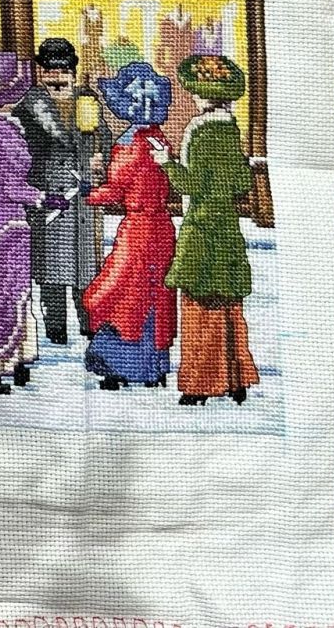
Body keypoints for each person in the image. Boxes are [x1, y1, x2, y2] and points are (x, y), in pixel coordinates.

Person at [0, 51, 70, 395]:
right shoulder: (3, 130)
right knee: (7, 295)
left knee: (1, 293)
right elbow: (10, 185)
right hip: (6, 225)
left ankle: (13, 358)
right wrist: (44, 198)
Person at [165, 54, 260, 405]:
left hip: (202, 229)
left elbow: (194, 184)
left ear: (202, 96)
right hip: (227, 229)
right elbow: (240, 182)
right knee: (229, 308)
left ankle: (200, 385)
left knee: (200, 309)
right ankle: (236, 380)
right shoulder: (231, 131)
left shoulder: (202, 132)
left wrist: (167, 164)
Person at [80, 62, 179, 393]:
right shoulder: (158, 138)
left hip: (138, 230)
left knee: (123, 293)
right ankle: (154, 368)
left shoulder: (131, 144)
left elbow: (115, 190)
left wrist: (88, 191)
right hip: (162, 228)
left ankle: (122, 365)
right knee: (155, 296)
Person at [16, 36, 100, 346]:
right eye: (51, 71)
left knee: (85, 268)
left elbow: (102, 136)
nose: (58, 78)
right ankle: (55, 330)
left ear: (73, 73)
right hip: (48, 194)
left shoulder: (86, 100)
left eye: (64, 71)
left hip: (81, 197)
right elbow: (23, 153)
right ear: (41, 72)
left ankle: (90, 324)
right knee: (51, 269)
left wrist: (99, 156)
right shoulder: (29, 106)